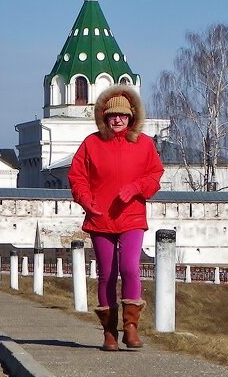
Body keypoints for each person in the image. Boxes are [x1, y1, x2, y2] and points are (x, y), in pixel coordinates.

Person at [68, 86, 164, 351]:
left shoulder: (144, 144)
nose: (118, 120)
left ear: (132, 117)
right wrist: (87, 201)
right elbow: (77, 177)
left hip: (131, 216)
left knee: (131, 268)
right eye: (112, 116)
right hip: (101, 219)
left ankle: (131, 327)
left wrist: (136, 188)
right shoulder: (92, 144)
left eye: (123, 116)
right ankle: (109, 332)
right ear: (104, 117)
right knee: (107, 274)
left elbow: (155, 175)